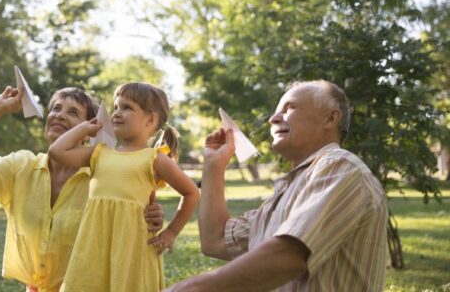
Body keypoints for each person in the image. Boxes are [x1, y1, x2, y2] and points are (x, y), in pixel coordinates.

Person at [166, 80, 388, 291]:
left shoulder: (340, 166)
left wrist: (188, 289)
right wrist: (214, 166)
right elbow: (215, 241)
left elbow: (289, 255)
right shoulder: (285, 194)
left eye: (289, 108)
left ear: (330, 118)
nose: (273, 118)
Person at [0, 86, 165, 292]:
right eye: (56, 109)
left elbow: (131, 215)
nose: (59, 115)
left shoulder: (103, 177)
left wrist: (149, 214)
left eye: (73, 112)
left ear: (91, 127)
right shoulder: (21, 167)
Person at [48, 82, 201, 292]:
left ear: (151, 120)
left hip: (131, 248)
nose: (117, 113)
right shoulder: (99, 153)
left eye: (127, 107)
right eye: (117, 107)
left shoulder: (154, 159)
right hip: (94, 243)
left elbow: (191, 192)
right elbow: (57, 151)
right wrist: (85, 127)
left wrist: (172, 232)